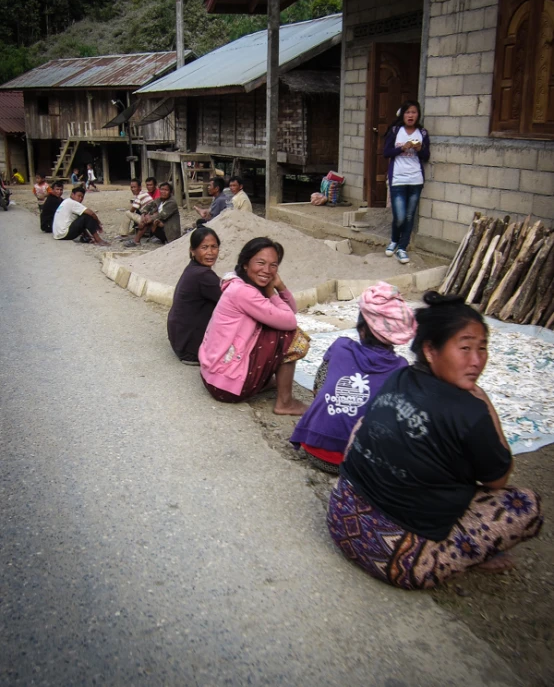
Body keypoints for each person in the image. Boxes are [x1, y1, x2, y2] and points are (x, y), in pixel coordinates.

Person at [327, 291, 543, 590]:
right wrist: (486, 404)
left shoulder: (399, 377)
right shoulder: (471, 411)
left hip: (341, 520)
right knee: (525, 506)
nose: (477, 360)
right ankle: (466, 554)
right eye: (465, 348)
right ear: (430, 350)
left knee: (367, 424)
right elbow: (498, 481)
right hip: (395, 561)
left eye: (483, 348)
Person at [290, 283, 414, 473]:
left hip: (314, 449)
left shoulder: (341, 346)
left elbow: (319, 386)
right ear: (395, 335)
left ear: (361, 329)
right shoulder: (401, 367)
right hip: (358, 463)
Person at [199, 237, 309, 416]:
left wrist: (279, 286)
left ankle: (264, 381)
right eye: (260, 263)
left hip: (213, 376)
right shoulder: (244, 292)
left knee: (276, 326)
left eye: (273, 265)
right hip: (225, 386)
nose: (267, 270)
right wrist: (272, 293)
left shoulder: (240, 284)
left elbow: (291, 310)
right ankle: (285, 403)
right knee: (292, 336)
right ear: (245, 264)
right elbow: (290, 321)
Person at [383, 100, 430, 265]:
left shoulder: (422, 133)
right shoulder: (396, 131)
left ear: (418, 115)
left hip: (415, 179)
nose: (411, 116)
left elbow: (426, 156)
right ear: (403, 115)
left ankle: (402, 248)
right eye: (408, 112)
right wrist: (403, 148)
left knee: (410, 216)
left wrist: (419, 149)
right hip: (398, 179)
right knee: (400, 216)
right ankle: (394, 240)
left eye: (414, 112)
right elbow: (386, 152)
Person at [167, 228, 222, 365]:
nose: (210, 252)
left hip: (180, 341)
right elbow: (234, 300)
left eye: (214, 247)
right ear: (193, 250)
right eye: (204, 247)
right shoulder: (202, 275)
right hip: (190, 349)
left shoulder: (193, 269)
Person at [127, 181, 180, 247]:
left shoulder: (172, 203)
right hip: (161, 226)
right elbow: (148, 206)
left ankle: (136, 241)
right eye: (162, 189)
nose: (163, 192)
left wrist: (149, 218)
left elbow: (162, 215)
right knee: (147, 219)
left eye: (166, 190)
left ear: (170, 192)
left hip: (170, 232)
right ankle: (136, 240)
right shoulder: (159, 200)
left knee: (149, 220)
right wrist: (143, 214)